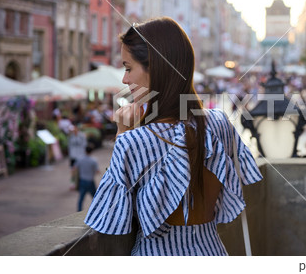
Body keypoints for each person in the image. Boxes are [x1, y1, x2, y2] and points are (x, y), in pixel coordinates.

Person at [84, 17, 263, 256]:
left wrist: (122, 132)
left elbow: (108, 217)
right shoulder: (220, 123)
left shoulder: (135, 141)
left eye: (128, 68)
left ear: (155, 69)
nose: (125, 80)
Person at [73, 146, 99, 211]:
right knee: (95, 198)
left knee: (81, 199)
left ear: (85, 151)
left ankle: (79, 211)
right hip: (90, 181)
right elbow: (97, 171)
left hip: (82, 181)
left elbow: (74, 168)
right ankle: (97, 210)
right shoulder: (93, 160)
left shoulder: (80, 159)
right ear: (91, 151)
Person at [68, 125, 87, 190]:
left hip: (80, 154)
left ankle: (80, 183)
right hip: (73, 155)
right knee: (73, 170)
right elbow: (69, 145)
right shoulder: (71, 136)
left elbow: (84, 144)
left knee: (81, 170)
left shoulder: (82, 135)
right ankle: (73, 183)